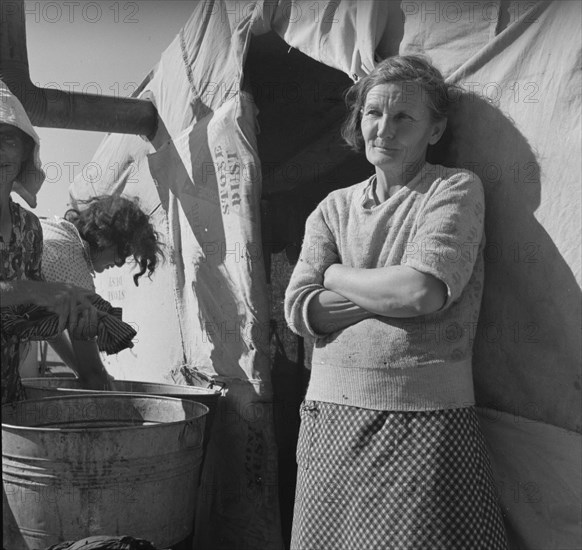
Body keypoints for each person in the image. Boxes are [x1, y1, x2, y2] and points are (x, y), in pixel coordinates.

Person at [284, 55, 509, 548]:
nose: (383, 129)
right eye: (373, 113)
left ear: (435, 130)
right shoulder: (332, 207)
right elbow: (301, 309)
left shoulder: (453, 188)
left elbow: (421, 291)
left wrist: (338, 274)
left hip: (422, 420)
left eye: (404, 117)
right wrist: (390, 294)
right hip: (330, 419)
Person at [0, 80, 96, 404]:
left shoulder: (28, 228)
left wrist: (73, 315)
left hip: (9, 398)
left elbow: (30, 315)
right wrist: (29, 289)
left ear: (25, 151)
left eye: (9, 139)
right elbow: (30, 293)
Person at [39, 195, 163, 387]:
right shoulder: (73, 269)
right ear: (106, 237)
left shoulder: (57, 231)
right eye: (123, 252)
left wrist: (82, 370)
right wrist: (105, 387)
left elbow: (48, 329)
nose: (119, 263)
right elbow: (93, 374)